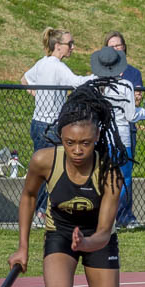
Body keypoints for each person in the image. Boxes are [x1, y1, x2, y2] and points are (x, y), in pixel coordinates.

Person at [7, 78, 132, 287]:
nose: (78, 150)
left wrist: (87, 243)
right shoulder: (44, 160)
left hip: (98, 241)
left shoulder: (110, 173)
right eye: (71, 142)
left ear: (96, 138)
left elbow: (104, 230)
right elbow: (28, 197)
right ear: (61, 137)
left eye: (86, 143)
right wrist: (22, 247)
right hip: (60, 233)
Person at [22, 28, 95, 225]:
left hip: (38, 123)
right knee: (53, 170)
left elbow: (25, 79)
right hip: (50, 127)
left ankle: (40, 212)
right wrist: (97, 76)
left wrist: (40, 98)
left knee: (41, 170)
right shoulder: (55, 65)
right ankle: (40, 213)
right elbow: (78, 83)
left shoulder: (42, 63)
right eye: (69, 44)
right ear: (58, 46)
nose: (73, 47)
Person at [103, 32, 144, 228]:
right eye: (111, 47)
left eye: (118, 46)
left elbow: (136, 99)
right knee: (106, 174)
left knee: (126, 175)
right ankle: (107, 216)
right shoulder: (101, 73)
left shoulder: (133, 73)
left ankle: (125, 216)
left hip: (127, 130)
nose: (115, 49)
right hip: (107, 131)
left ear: (124, 48)